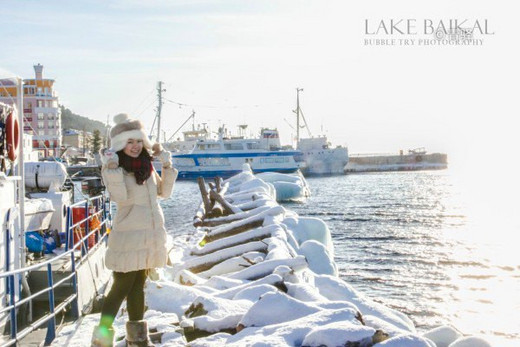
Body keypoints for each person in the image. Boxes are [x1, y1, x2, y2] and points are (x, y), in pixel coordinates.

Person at [92, 113, 178, 347]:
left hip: (148, 236)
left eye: (138, 141)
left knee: (138, 285)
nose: (135, 146)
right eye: (129, 142)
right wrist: (110, 169)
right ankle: (101, 339)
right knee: (120, 287)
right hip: (128, 237)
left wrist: (166, 165)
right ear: (121, 144)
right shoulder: (116, 167)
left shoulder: (147, 166)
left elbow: (164, 193)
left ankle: (138, 339)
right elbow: (121, 198)